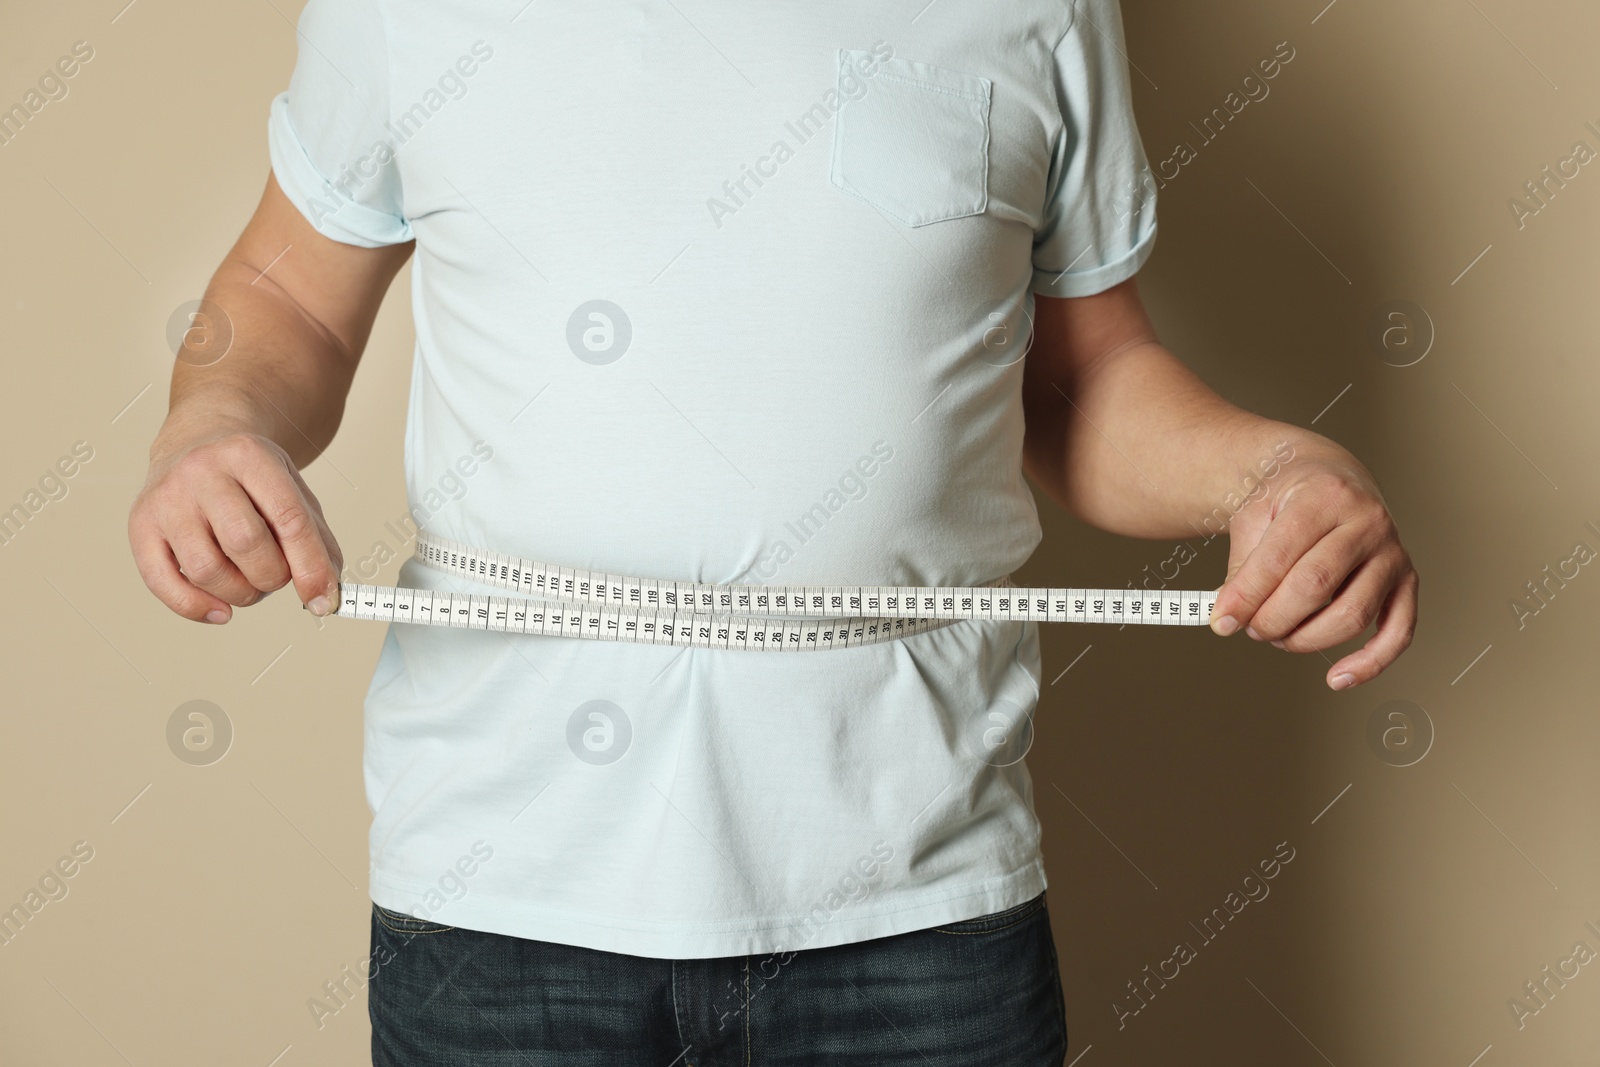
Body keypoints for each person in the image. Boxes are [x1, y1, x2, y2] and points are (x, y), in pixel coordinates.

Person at [128, 0, 1418, 1063]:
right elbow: (288, 301)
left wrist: (1274, 473)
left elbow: (1081, 382)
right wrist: (208, 429)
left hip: (921, 904)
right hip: (500, 898)